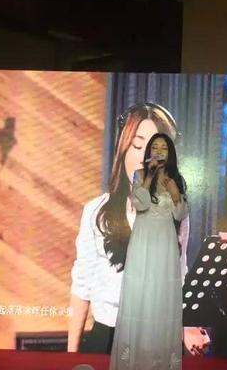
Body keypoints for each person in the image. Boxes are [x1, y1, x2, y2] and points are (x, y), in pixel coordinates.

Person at [67, 103, 190, 354]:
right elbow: (81, 286)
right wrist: (70, 355)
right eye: (137, 146)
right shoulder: (97, 211)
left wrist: (189, 330)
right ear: (124, 149)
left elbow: (179, 279)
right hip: (108, 337)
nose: (145, 157)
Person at [109, 133, 188, 370]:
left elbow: (180, 214)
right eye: (155, 147)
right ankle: (135, 364)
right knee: (142, 295)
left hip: (165, 244)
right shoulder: (139, 175)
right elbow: (140, 205)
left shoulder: (177, 179)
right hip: (143, 242)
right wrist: (149, 177)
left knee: (161, 298)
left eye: (164, 147)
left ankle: (159, 365)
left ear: (170, 153)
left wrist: (175, 193)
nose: (159, 151)